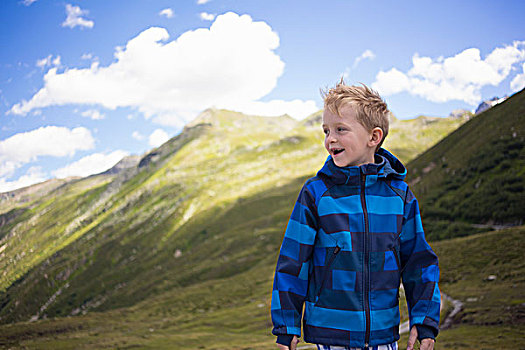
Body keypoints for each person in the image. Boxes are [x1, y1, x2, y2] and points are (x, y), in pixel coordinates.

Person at [270, 80, 440, 350]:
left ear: (374, 137)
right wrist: (286, 326)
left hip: (384, 336)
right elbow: (293, 263)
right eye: (326, 131)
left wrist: (425, 319)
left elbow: (418, 261)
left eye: (341, 129)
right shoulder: (316, 194)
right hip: (331, 335)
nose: (330, 139)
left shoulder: (400, 196)